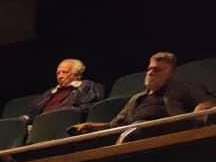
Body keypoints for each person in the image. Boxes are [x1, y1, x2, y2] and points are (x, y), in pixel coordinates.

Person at [73, 51, 204, 132]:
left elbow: (208, 102)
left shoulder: (183, 87)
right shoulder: (137, 98)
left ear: (170, 74)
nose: (151, 73)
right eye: (149, 69)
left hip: (166, 133)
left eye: (157, 70)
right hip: (133, 133)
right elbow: (114, 125)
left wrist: (198, 115)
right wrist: (91, 126)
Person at [28, 57, 103, 118]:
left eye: (64, 72)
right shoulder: (50, 92)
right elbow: (33, 112)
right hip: (42, 123)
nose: (60, 76)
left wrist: (65, 113)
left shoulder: (86, 85)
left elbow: (89, 107)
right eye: (58, 73)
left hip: (66, 120)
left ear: (75, 74)